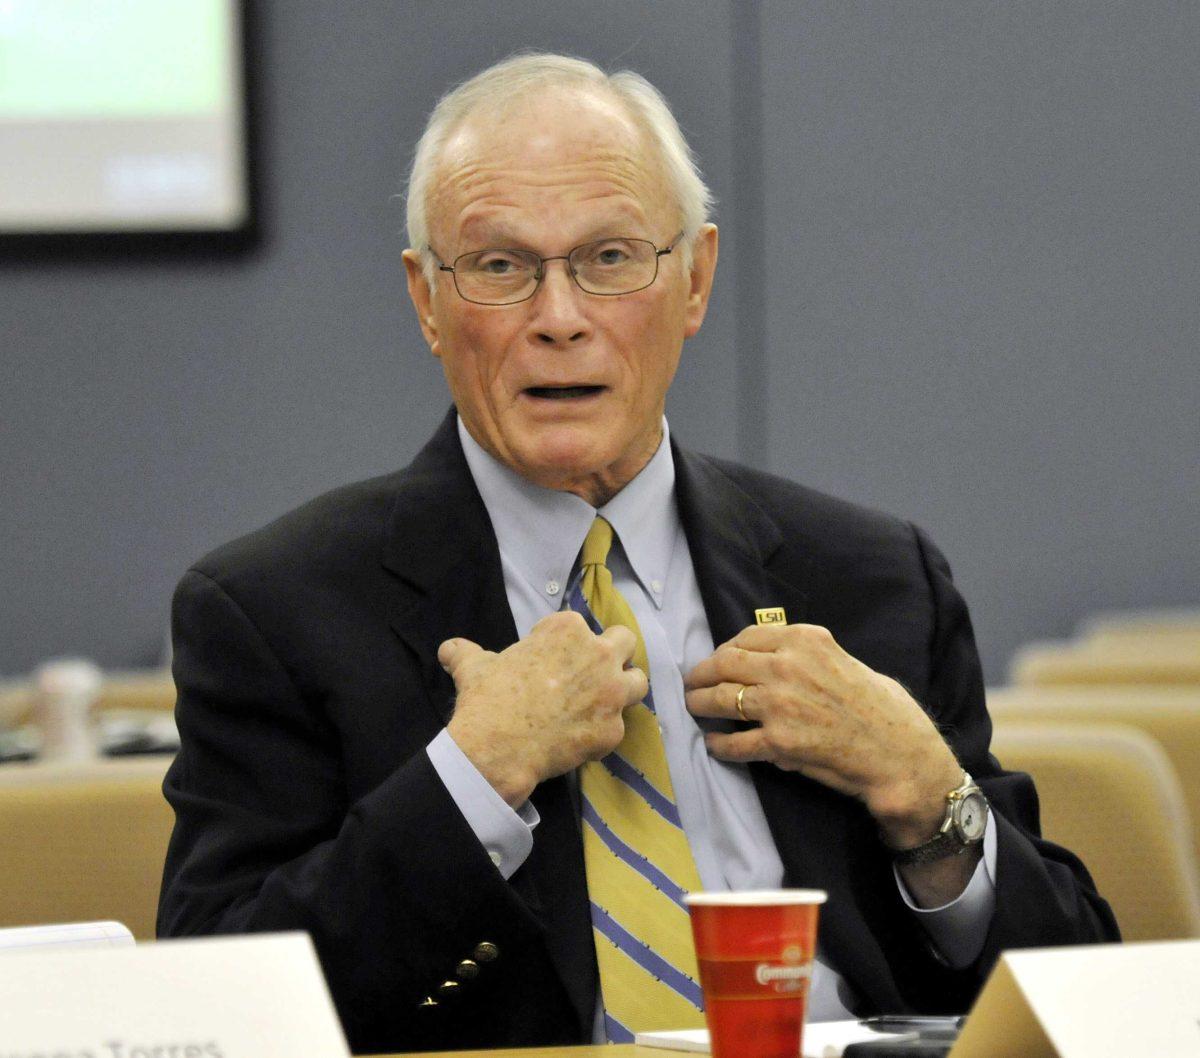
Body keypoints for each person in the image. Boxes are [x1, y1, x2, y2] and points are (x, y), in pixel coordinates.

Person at [157, 52, 1117, 1054]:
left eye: (610, 258)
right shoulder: (276, 611)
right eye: (499, 267)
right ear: (427, 303)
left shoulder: (872, 578)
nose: (559, 318)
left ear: (694, 280)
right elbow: (219, 1012)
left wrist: (930, 795)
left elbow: (1081, 1000)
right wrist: (472, 779)